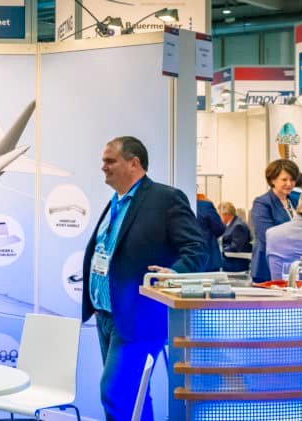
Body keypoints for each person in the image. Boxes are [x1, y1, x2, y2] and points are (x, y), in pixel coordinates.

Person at [82, 136, 205, 421]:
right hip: (107, 316)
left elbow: (197, 246)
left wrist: (176, 273)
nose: (103, 167)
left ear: (134, 163)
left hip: (140, 316)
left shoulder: (166, 199)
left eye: (110, 161)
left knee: (115, 393)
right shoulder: (117, 202)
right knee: (134, 395)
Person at [250, 159, 300, 282]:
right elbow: (267, 236)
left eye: (292, 179)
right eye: (284, 179)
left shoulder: (298, 199)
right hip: (268, 268)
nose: (289, 183)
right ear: (272, 180)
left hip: (295, 267)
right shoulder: (262, 203)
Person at [219, 201, 252, 272]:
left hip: (235, 263)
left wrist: (221, 251)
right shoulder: (231, 224)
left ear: (226, 214)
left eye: (220, 215)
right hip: (229, 259)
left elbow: (235, 247)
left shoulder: (238, 226)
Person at [195, 194, 226, 271]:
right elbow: (219, 228)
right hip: (208, 257)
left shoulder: (176, 204)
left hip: (183, 259)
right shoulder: (205, 206)